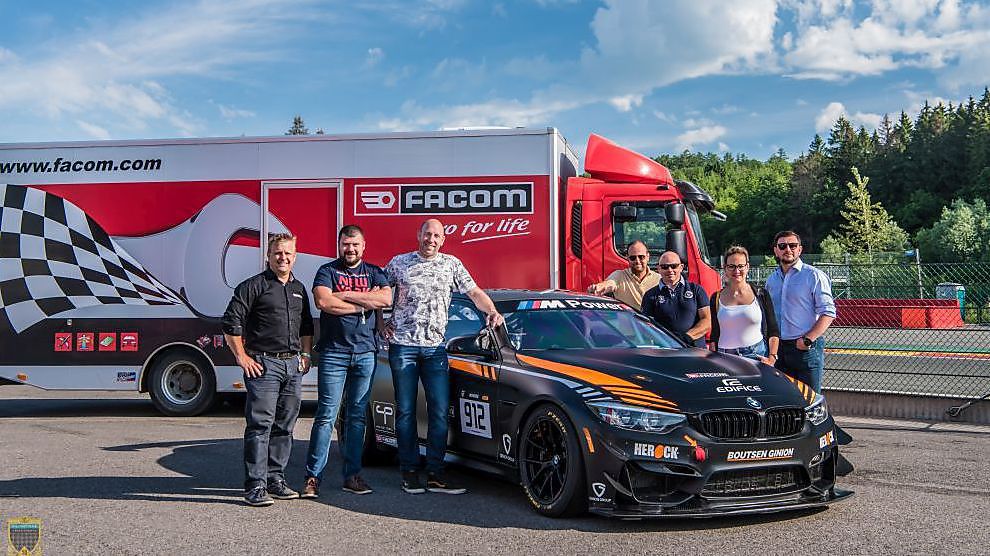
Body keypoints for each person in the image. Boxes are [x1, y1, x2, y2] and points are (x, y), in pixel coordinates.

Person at [384, 219, 504, 495]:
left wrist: (492, 310)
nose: (431, 239)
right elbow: (378, 292)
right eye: (427, 234)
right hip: (403, 346)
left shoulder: (452, 265)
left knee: (439, 411)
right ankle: (409, 472)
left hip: (436, 349)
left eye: (436, 236)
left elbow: (474, 292)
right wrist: (381, 322)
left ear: (443, 240)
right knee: (405, 411)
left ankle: (435, 473)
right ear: (419, 235)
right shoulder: (399, 263)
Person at [221, 233, 314, 507]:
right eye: (278, 253)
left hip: (292, 366)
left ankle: (275, 479)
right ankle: (255, 486)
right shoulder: (253, 286)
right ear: (268, 256)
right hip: (264, 367)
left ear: (295, 256)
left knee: (285, 427)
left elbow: (306, 326)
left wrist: (306, 354)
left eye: (288, 253)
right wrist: (241, 357)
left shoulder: (298, 288)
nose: (283, 258)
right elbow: (231, 322)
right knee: (260, 426)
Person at [301, 225, 391, 499]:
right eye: (345, 244)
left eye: (354, 244)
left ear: (363, 246)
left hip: (366, 353)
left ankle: (352, 476)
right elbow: (324, 302)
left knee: (357, 417)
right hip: (334, 353)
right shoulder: (327, 271)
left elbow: (385, 298)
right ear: (339, 245)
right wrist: (366, 302)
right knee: (326, 416)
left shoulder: (375, 271)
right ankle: (312, 477)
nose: (350, 249)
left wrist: (344, 295)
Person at [764, 230, 836, 392]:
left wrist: (807, 340)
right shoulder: (771, 280)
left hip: (806, 349)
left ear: (800, 249)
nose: (788, 249)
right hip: (778, 350)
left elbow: (828, 312)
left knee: (809, 399)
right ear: (776, 250)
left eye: (792, 245)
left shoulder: (814, 276)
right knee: (784, 397)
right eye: (782, 246)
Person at [709, 246, 779, 364]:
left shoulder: (761, 294)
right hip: (724, 357)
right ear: (725, 268)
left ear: (747, 267)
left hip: (756, 355)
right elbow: (714, 334)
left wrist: (772, 357)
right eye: (731, 266)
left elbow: (773, 330)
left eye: (740, 266)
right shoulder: (716, 298)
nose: (737, 271)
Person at [640, 250, 711, 347]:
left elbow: (707, 320)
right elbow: (646, 326)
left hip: (695, 349)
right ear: (658, 269)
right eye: (665, 267)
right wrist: (668, 341)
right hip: (666, 349)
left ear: (681, 267)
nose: (670, 270)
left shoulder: (696, 290)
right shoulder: (650, 295)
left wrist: (686, 337)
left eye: (674, 266)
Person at [587, 240, 660, 309]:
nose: (637, 261)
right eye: (633, 258)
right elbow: (609, 283)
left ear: (648, 257)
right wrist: (598, 288)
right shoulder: (619, 275)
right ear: (627, 258)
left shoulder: (659, 279)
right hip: (627, 318)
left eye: (641, 257)